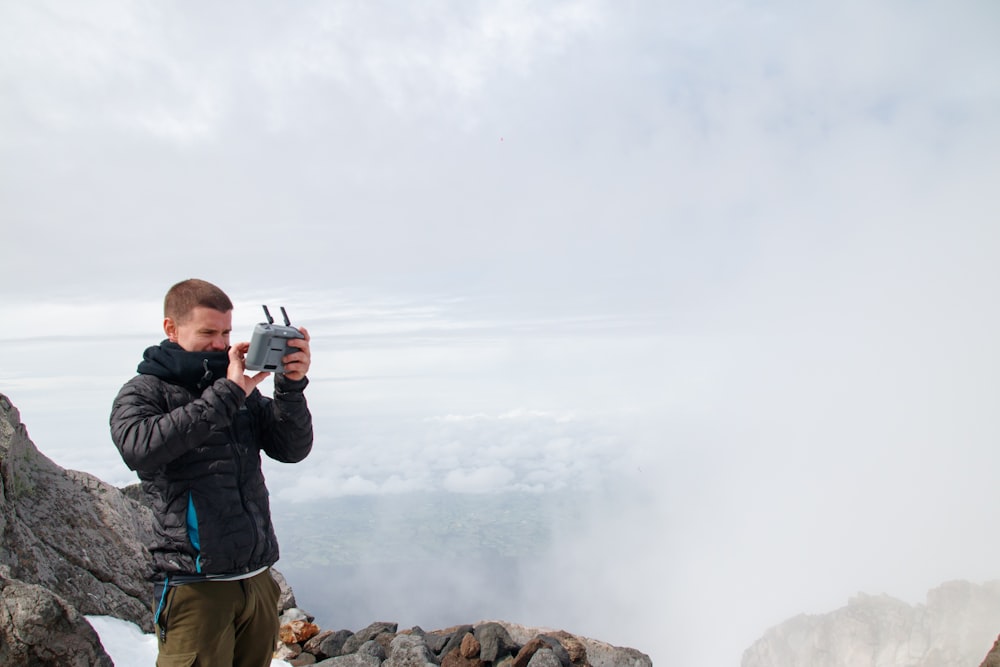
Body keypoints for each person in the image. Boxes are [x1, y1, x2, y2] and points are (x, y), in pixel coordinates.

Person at [110, 278, 313, 667]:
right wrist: (229, 394)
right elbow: (138, 447)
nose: (220, 344)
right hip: (196, 586)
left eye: (226, 332)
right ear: (171, 328)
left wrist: (290, 387)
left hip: (256, 580)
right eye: (207, 332)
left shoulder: (234, 388)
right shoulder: (145, 390)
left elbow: (291, 449)